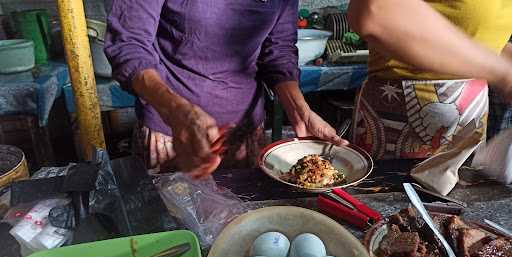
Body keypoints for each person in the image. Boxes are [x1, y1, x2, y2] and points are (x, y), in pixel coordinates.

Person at [105, 0, 346, 177]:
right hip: (174, 135)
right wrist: (176, 111)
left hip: (245, 136)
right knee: (171, 236)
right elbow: (129, 45)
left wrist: (300, 111)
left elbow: (278, 52)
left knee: (240, 234)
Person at [348, 0, 512, 159]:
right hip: (398, 127)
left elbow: (479, 37)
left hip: (469, 127)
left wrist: (504, 63)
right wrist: (501, 72)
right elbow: (376, 11)